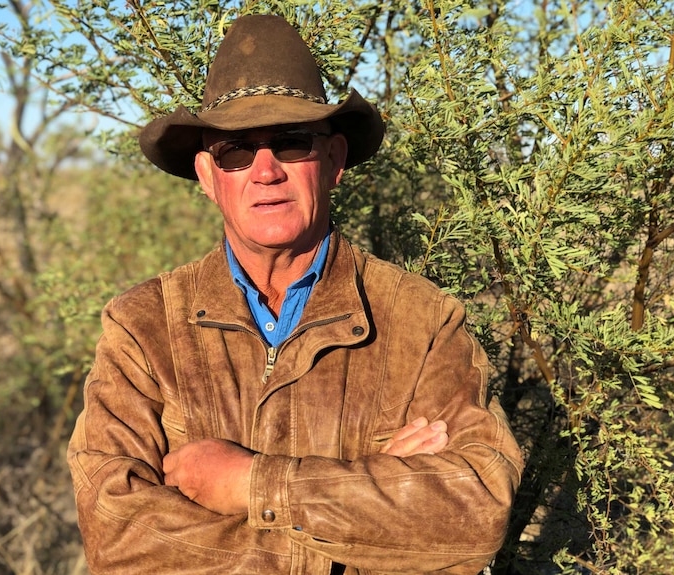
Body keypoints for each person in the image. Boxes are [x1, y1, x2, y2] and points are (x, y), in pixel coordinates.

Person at [68, 14, 524, 575]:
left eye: (290, 144)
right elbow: (119, 537)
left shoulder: (422, 320)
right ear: (209, 177)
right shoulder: (142, 325)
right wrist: (363, 503)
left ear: (333, 161)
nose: (265, 171)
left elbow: (473, 512)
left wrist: (247, 483)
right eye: (236, 152)